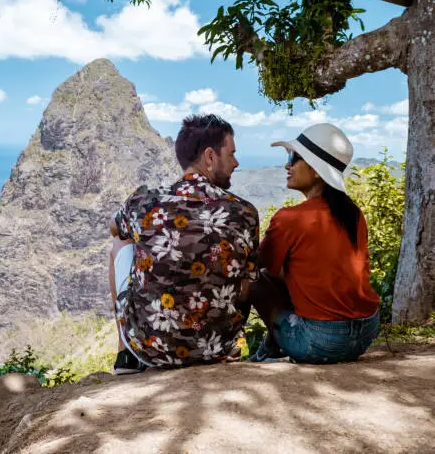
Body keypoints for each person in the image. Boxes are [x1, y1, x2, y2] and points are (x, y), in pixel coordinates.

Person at [109, 114, 259, 374]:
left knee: (119, 245)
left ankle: (125, 355)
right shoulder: (244, 212)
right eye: (231, 154)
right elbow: (246, 290)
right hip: (218, 347)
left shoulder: (144, 202)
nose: (236, 162)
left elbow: (114, 228)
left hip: (151, 348)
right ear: (210, 157)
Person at [250, 123, 380, 364]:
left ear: (318, 171)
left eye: (294, 157)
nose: (287, 165)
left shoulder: (290, 218)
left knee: (256, 281)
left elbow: (261, 266)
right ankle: (271, 344)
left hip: (320, 342)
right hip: (366, 332)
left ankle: (271, 346)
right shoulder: (353, 213)